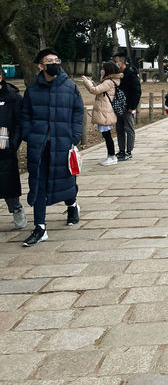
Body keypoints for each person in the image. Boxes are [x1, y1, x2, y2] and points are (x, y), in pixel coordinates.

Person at [21, 48, 84, 246]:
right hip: (39, 145)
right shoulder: (32, 90)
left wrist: (73, 136)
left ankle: (72, 205)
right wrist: (29, 135)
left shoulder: (70, 87)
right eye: (49, 60)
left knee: (65, 180)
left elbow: (78, 112)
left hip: (63, 143)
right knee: (38, 183)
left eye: (57, 59)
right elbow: (25, 116)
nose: (54, 63)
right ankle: (40, 227)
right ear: (41, 65)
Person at [81, 61, 123, 166]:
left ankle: (111, 156)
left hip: (105, 111)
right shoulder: (110, 81)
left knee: (107, 135)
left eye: (103, 69)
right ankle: (111, 156)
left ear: (107, 70)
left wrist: (86, 82)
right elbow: (99, 90)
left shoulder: (108, 82)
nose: (101, 70)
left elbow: (94, 90)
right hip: (105, 110)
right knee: (106, 134)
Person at [0, 67, 27, 229]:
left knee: (7, 182)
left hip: (5, 146)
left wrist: (14, 143)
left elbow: (20, 123)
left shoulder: (13, 97)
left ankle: (16, 208)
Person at [113, 52, 141, 162]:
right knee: (119, 129)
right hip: (118, 106)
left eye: (116, 61)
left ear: (122, 62)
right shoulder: (116, 74)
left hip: (127, 105)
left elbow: (136, 91)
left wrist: (132, 106)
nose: (115, 63)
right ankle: (121, 150)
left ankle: (129, 151)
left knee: (129, 128)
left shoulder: (130, 73)